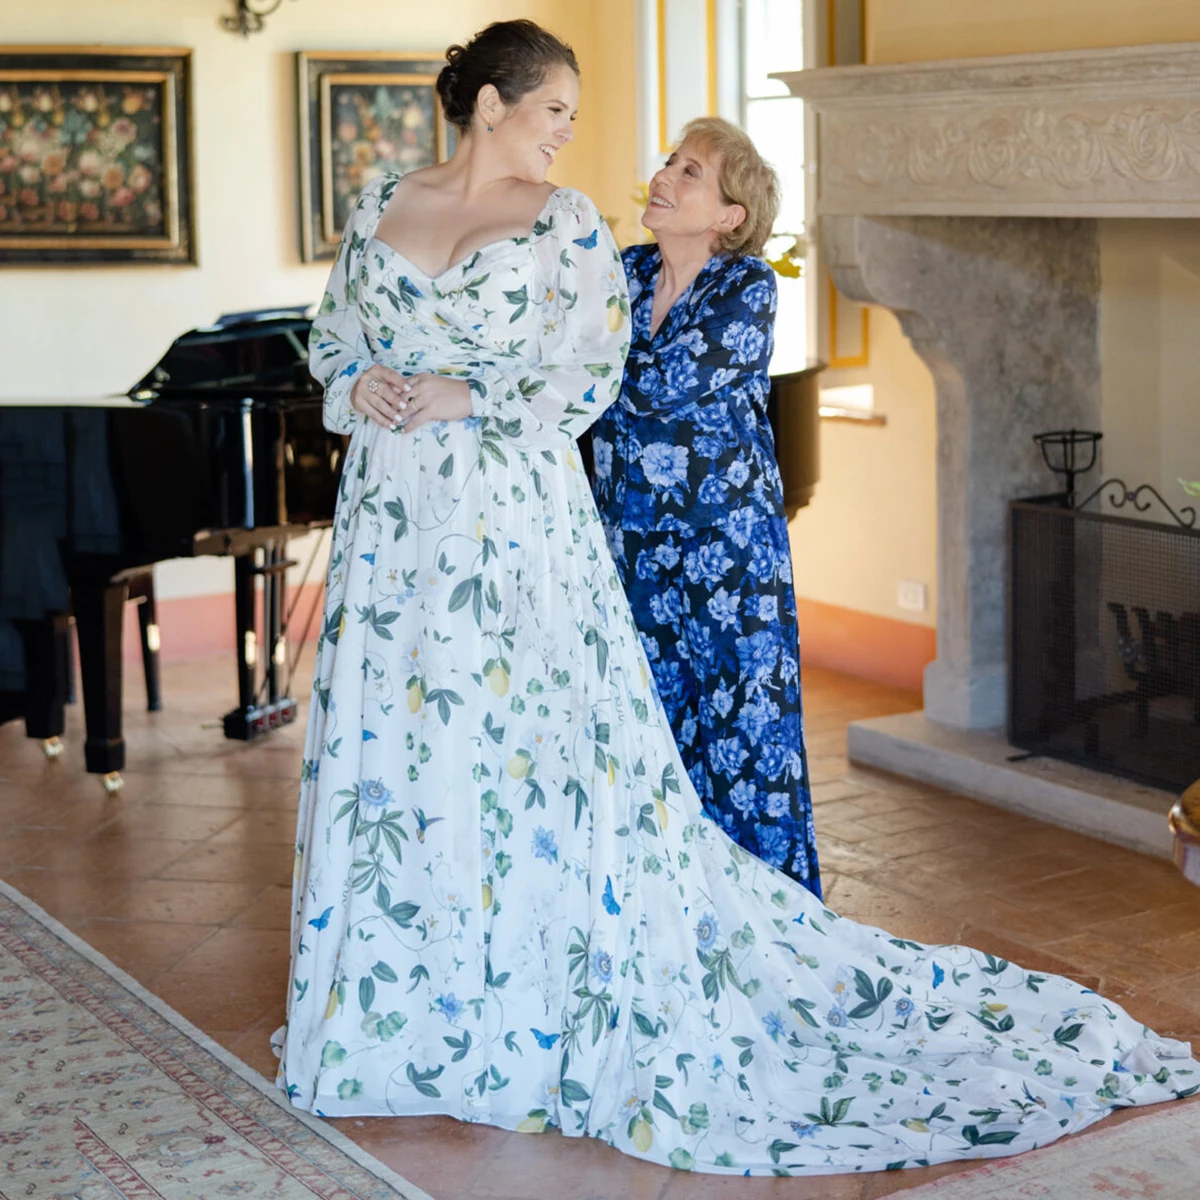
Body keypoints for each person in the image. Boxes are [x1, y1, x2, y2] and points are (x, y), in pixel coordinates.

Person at [276, 18, 1195, 1177]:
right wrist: (360, 378)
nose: (573, 134)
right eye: (557, 109)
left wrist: (463, 394)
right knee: (404, 748)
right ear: (492, 104)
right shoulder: (377, 205)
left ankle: (520, 1002)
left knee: (524, 750)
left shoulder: (566, 228)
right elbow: (330, 336)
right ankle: (399, 1011)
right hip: (393, 528)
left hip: (515, 524)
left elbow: (586, 374)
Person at [589, 118, 820, 896]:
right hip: (631, 550)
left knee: (745, 741)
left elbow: (654, 388)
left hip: (729, 558)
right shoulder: (618, 272)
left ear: (730, 216)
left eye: (690, 172)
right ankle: (670, 923)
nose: (664, 178)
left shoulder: (747, 288)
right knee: (649, 732)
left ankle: (773, 922)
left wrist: (588, 365)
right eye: (669, 163)